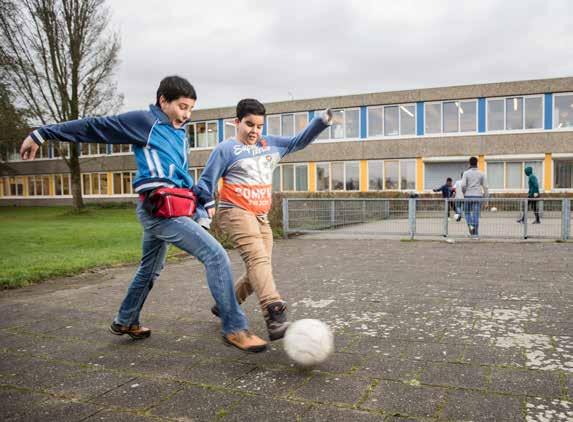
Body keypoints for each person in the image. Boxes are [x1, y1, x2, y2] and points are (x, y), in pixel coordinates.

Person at [18, 76, 267, 353]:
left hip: (171, 206)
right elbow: (94, 127)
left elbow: (180, 177)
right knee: (216, 256)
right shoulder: (145, 122)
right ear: (163, 101)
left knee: (149, 268)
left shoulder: (178, 133)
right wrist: (42, 133)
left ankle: (125, 320)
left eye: (190, 109)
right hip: (159, 210)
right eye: (182, 107)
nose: (186, 115)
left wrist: (199, 203)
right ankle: (234, 328)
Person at [197, 99, 332, 341]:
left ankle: (226, 305)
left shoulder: (270, 144)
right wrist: (202, 214)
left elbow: (297, 142)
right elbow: (206, 182)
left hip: (261, 216)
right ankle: (274, 313)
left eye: (259, 126)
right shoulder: (226, 149)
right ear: (237, 122)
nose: (254, 131)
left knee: (260, 268)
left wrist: (321, 122)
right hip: (235, 211)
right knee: (258, 259)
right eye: (249, 125)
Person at [461, 156, 488, 239]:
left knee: (467, 213)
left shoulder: (466, 173)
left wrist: (464, 192)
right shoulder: (482, 173)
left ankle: (471, 227)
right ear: (477, 163)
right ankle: (475, 235)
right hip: (478, 196)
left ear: (469, 163)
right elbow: (485, 187)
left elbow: (463, 185)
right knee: (476, 215)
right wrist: (486, 199)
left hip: (468, 196)